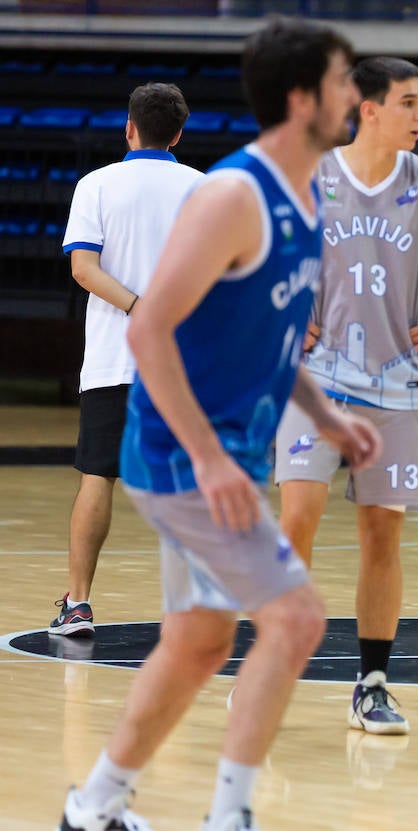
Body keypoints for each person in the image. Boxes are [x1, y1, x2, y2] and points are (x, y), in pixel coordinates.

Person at [55, 19, 376, 831]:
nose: (358, 97)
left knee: (197, 643)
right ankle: (230, 814)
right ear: (303, 98)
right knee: (296, 618)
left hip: (218, 454)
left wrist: (325, 415)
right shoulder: (234, 194)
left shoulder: (304, 198)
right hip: (179, 457)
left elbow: (268, 341)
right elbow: (148, 329)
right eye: (346, 82)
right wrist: (210, 457)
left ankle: (92, 805)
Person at [273, 56, 418, 735]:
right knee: (297, 520)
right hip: (316, 381)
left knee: (382, 534)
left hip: (397, 386)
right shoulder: (312, 173)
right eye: (410, 102)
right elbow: (262, 257)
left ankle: (371, 683)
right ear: (368, 109)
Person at [49, 82, 203, 637]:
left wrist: (140, 307)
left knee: (97, 478)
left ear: (129, 127)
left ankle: (79, 604)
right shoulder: (203, 189)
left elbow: (84, 270)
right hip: (183, 364)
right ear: (179, 133)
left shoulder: (97, 185)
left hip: (116, 360)